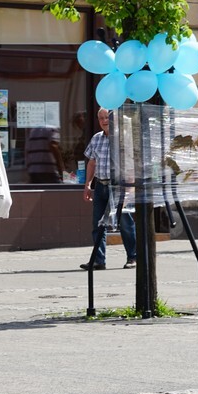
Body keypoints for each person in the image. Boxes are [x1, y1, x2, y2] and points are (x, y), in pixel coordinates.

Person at [81, 107, 136, 271]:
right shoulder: (96, 138)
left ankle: (133, 257)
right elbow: (92, 162)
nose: (104, 121)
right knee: (97, 224)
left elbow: (130, 165)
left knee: (126, 223)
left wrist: (129, 192)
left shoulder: (124, 139)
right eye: (101, 118)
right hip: (101, 185)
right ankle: (99, 260)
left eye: (107, 117)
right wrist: (87, 185)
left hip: (119, 187)